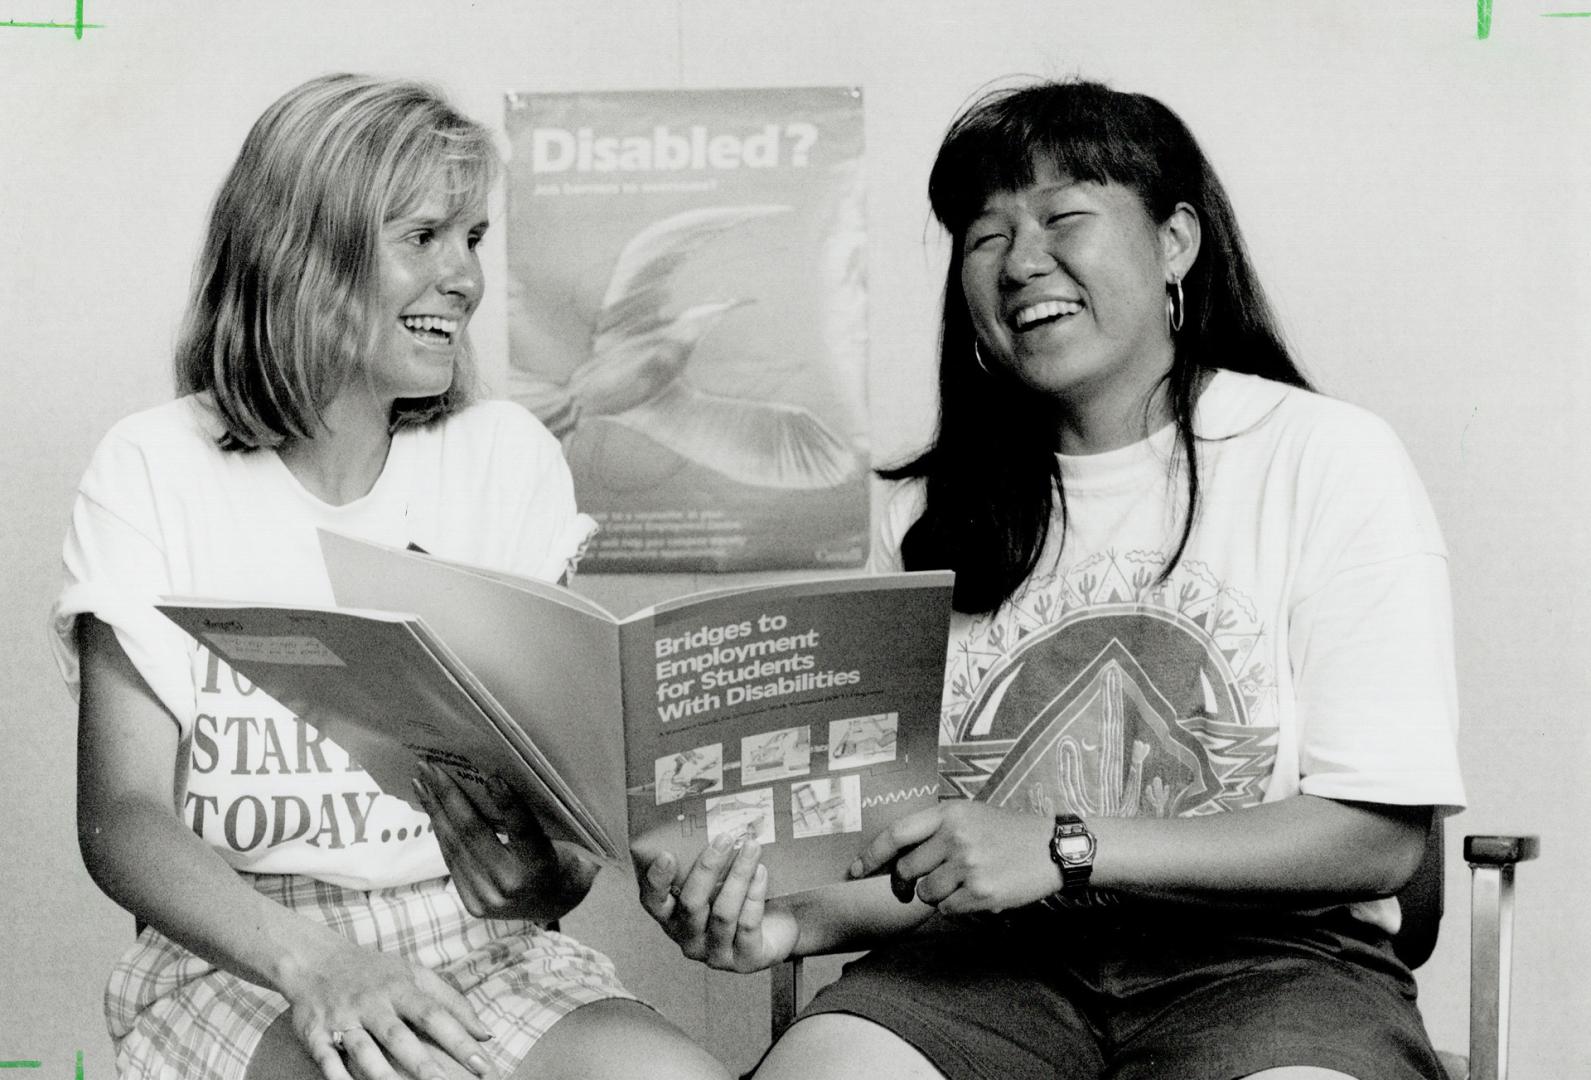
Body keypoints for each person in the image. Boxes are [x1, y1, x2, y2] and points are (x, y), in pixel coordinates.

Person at [637, 79, 1466, 1080]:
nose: (1022, 260)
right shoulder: (917, 515)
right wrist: (777, 919)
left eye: (1063, 216)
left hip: (1273, 965)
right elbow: (906, 853)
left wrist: (1067, 847)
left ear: (1175, 243)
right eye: (984, 235)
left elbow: (1375, 842)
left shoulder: (1322, 457)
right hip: (981, 967)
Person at [51, 73, 729, 1080]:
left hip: (475, 944)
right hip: (250, 950)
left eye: (473, 239)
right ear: (300, 251)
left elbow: (555, 864)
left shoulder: (505, 456)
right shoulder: (153, 464)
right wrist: (318, 964)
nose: (464, 277)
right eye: (423, 238)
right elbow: (123, 821)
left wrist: (535, 874)